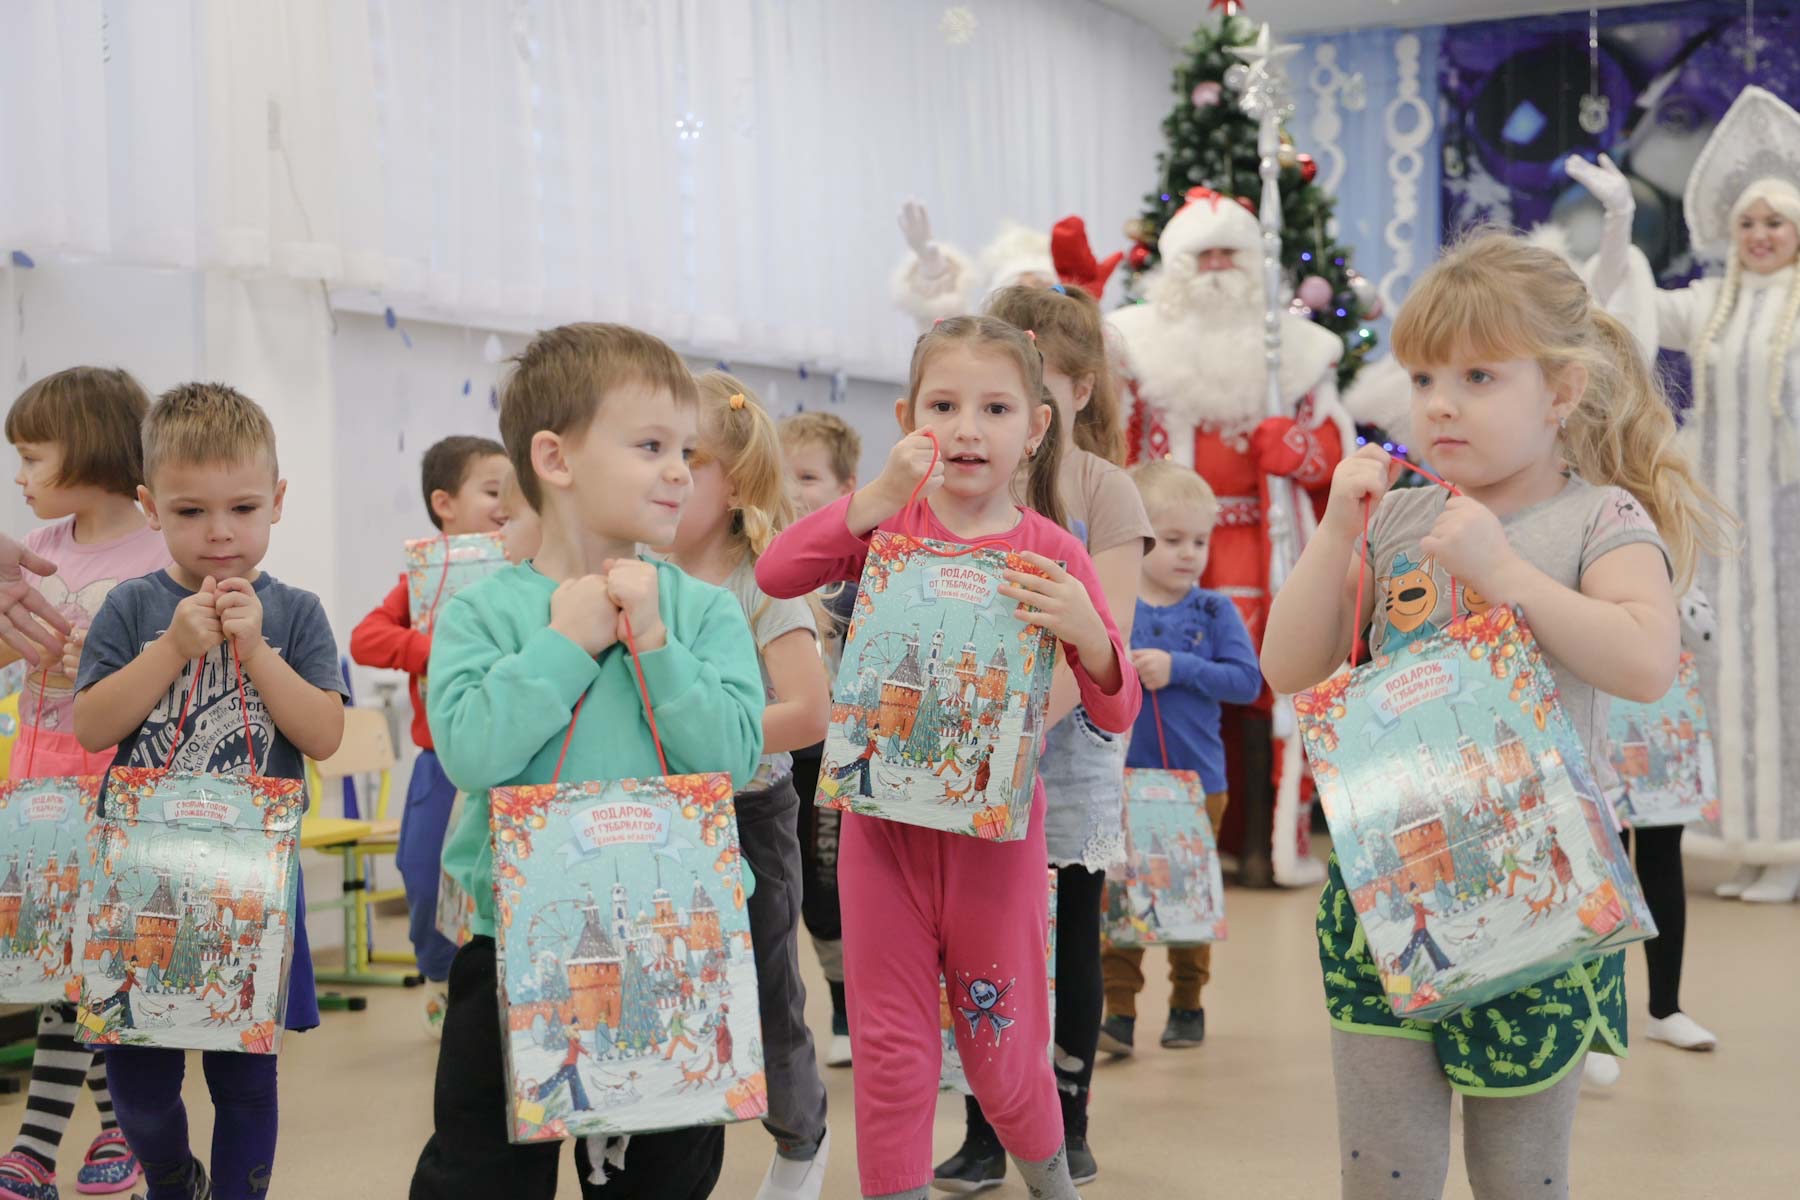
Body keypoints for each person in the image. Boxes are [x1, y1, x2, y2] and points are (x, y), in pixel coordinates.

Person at [1262, 232, 1726, 1200]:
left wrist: (1507, 575)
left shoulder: (1602, 518)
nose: (1440, 402)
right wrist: (1339, 530)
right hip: (1385, 902)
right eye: (1425, 375)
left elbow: (1646, 660)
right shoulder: (1397, 517)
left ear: (1559, 393)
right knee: (1382, 1177)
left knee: (1520, 1180)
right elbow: (1288, 664)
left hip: (1535, 907)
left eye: (1478, 375)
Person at [758, 314, 1141, 1200]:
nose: (969, 428)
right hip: (881, 840)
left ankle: (1055, 1182)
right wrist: (868, 503)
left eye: (996, 407)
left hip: (994, 848)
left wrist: (1090, 637)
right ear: (908, 418)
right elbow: (777, 573)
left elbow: (1114, 706)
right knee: (893, 1056)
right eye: (944, 405)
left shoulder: (1053, 552)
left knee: (1003, 1055)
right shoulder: (882, 528)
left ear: (1036, 426)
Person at [409, 323, 762, 1200]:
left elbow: (732, 758)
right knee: (481, 1176)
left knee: (665, 1181)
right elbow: (471, 753)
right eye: (650, 446)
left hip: (677, 954)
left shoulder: (703, 611)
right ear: (555, 459)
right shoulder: (485, 613)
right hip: (512, 949)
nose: (681, 469)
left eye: (686, 449)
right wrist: (566, 643)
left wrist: (656, 645)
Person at [74, 382, 348, 1200]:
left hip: (250, 889)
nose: (220, 532)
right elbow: (92, 726)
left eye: (242, 507)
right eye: (191, 511)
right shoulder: (130, 606)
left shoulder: (297, 613)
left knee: (246, 1083)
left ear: (278, 503)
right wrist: (169, 650)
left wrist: (257, 652)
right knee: (140, 1089)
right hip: (140, 884)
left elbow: (324, 734)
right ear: (149, 507)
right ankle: (170, 1178)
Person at [934, 283, 1152, 1190]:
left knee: (1065, 935)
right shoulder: (951, 484)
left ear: (1074, 396)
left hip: (1057, 755)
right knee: (980, 945)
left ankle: (1066, 1113)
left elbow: (1109, 637)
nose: (985, 420)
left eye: (1027, 390)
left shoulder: (1103, 490)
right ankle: (990, 1121)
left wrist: (1011, 728)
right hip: (963, 760)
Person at [1567, 88, 1800, 902]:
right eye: (1748, 224)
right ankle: (1757, 840)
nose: (1762, 236)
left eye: (1775, 223)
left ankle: (1792, 844)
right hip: (1733, 529)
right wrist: (1621, 228)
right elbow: (1619, 312)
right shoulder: (1710, 304)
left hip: (1795, 530)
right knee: (1735, 676)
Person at [1108, 186, 1348, 888]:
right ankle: (1167, 840)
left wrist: (1299, 447)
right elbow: (1114, 447)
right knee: (1164, 683)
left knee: (1271, 685)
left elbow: (1336, 455)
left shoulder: (1301, 354)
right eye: (1201, 254)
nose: (1215, 267)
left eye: (1229, 254)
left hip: (1263, 546)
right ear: (1177, 267)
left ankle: (1261, 839)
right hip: (1159, 548)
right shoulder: (1137, 348)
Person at [657, 376, 833, 1200]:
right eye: (648, 451)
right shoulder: (637, 572)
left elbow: (809, 712)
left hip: (749, 813)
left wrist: (711, 733)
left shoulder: (765, 580)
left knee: (765, 993)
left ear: (733, 483)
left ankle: (802, 1137)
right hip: (660, 822)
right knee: (669, 991)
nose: (662, 475)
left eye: (683, 457)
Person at [0, 368, 169, 1200]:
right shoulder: (40, 553)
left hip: (116, 787)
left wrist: (105, 661)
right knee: (59, 969)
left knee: (89, 969)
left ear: (93, 448)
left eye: (33, 457)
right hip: (39, 791)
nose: (20, 477)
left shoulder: (158, 552)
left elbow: (174, 674)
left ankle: (49, 1144)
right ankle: (111, 1133)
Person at [1098, 462, 1260, 1059]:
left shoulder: (1215, 612)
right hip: (1122, 785)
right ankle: (1119, 1012)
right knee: (1122, 899)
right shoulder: (1114, 605)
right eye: (1172, 540)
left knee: (1190, 897)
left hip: (1198, 787)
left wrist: (1179, 668)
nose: (1189, 554)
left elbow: (1247, 682)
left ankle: (1187, 1003)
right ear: (1136, 539)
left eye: (1199, 540)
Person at [349, 435, 509, 1035]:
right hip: (440, 759)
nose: (506, 503)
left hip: (512, 757)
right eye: (493, 491)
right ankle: (441, 979)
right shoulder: (425, 575)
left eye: (514, 493)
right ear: (445, 503)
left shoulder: (527, 564)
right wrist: (436, 647)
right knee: (421, 871)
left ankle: (498, 991)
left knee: (499, 878)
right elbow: (366, 640)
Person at [777, 410, 861, 1069]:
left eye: (808, 476)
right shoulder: (771, 564)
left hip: (846, 752)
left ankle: (856, 1008)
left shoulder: (857, 572)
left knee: (837, 885)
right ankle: (834, 1005)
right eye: (784, 476)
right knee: (804, 887)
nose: (794, 489)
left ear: (846, 487)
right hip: (785, 754)